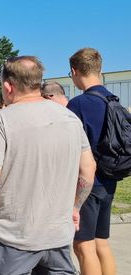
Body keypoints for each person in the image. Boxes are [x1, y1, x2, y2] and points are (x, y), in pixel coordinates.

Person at [0, 56, 96, 274]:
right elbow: (88, 169)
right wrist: (75, 207)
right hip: (57, 232)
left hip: (15, 235)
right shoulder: (69, 118)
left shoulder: (2, 120)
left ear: (8, 86)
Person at [67, 48, 118, 275]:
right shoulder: (113, 101)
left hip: (87, 184)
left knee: (83, 246)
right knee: (101, 243)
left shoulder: (78, 105)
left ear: (74, 71)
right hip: (110, 180)